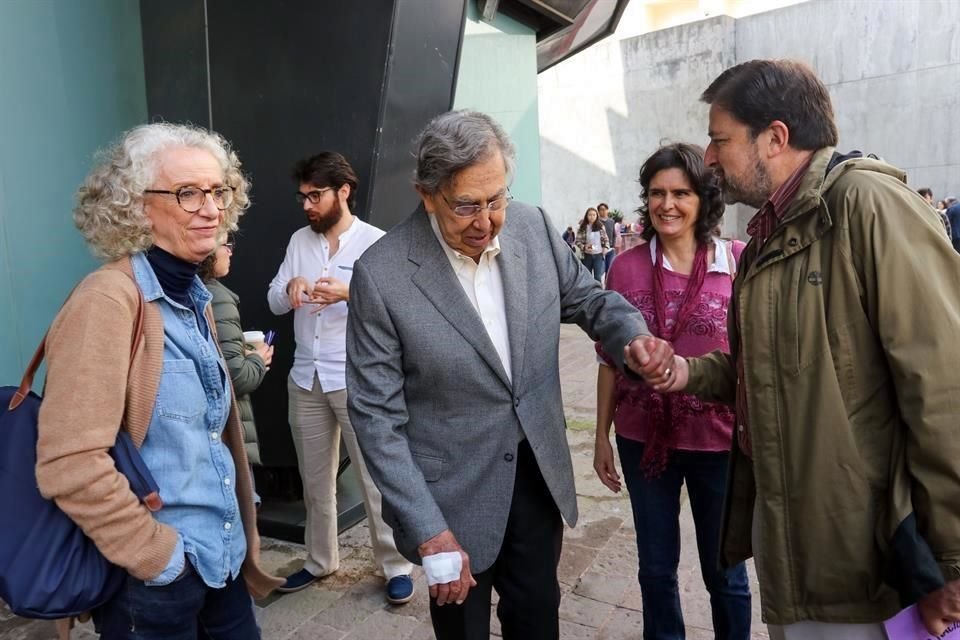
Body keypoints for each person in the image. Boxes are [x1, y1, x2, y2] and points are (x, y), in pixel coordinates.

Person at [344, 109, 675, 640]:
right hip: (449, 498)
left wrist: (630, 335)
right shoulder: (381, 276)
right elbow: (376, 418)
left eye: (496, 198)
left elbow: (588, 299)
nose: (486, 221)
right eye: (467, 206)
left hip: (536, 476)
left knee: (538, 619)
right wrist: (429, 532)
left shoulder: (532, 226)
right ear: (426, 194)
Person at [659, 59, 960, 639]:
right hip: (801, 554)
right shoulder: (766, 235)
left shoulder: (868, 206)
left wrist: (952, 558)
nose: (711, 158)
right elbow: (769, 369)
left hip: (878, 565)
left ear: (775, 137)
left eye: (720, 140)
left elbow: (945, 385)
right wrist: (684, 372)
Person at [36, 122, 281, 639]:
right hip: (155, 584)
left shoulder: (197, 298)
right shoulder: (106, 302)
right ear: (136, 206)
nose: (211, 209)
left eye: (218, 191)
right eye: (187, 193)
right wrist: (157, 556)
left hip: (223, 565)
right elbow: (69, 462)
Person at [593, 143, 750, 640]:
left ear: (704, 199)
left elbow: (751, 361)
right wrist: (600, 435)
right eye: (657, 193)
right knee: (656, 570)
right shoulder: (626, 267)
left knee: (724, 572)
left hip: (719, 443)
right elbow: (606, 360)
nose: (668, 204)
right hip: (644, 441)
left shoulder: (740, 262)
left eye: (681, 192)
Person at [266, 152, 415, 603]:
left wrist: (352, 293)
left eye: (316, 195)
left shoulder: (375, 242)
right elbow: (273, 299)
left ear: (343, 191)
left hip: (357, 381)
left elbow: (399, 309)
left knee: (375, 480)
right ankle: (319, 560)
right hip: (305, 379)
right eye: (303, 197)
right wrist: (288, 289)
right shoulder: (298, 242)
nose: (307, 205)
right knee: (315, 480)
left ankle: (394, 566)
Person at [199, 235, 274, 505]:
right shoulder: (217, 297)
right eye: (225, 245)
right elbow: (237, 379)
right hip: (229, 435)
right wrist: (259, 360)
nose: (230, 252)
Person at [576, 207, 609, 282]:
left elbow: (606, 240)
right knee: (587, 276)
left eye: (594, 215)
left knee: (598, 276)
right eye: (590, 215)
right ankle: (589, 293)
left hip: (598, 255)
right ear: (586, 216)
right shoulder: (582, 227)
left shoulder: (601, 227)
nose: (592, 217)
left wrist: (605, 248)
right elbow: (577, 241)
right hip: (587, 255)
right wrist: (584, 247)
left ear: (597, 216)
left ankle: (598, 293)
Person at [597, 202, 617, 273]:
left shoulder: (611, 221)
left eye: (605, 209)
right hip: (600, 250)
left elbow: (614, 234)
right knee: (601, 270)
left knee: (610, 270)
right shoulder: (597, 222)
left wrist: (614, 245)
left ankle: (608, 283)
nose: (604, 211)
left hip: (611, 249)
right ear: (598, 211)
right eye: (601, 209)